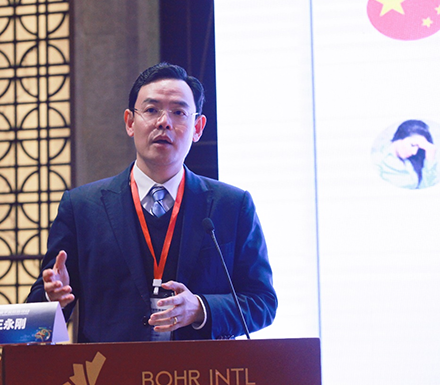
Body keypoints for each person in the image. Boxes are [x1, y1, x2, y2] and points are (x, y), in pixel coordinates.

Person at [26, 62, 277, 342]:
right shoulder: (81, 207)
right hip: (109, 366)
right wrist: (52, 299)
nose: (163, 122)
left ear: (197, 127)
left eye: (178, 112)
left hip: (200, 366)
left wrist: (201, 308)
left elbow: (262, 302)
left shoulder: (232, 206)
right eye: (151, 110)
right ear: (130, 123)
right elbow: (36, 319)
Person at [373, 119, 437, 189]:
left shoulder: (411, 161)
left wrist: (430, 155)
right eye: (412, 145)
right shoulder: (377, 160)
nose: (414, 152)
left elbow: (426, 187)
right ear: (400, 137)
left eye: (418, 147)